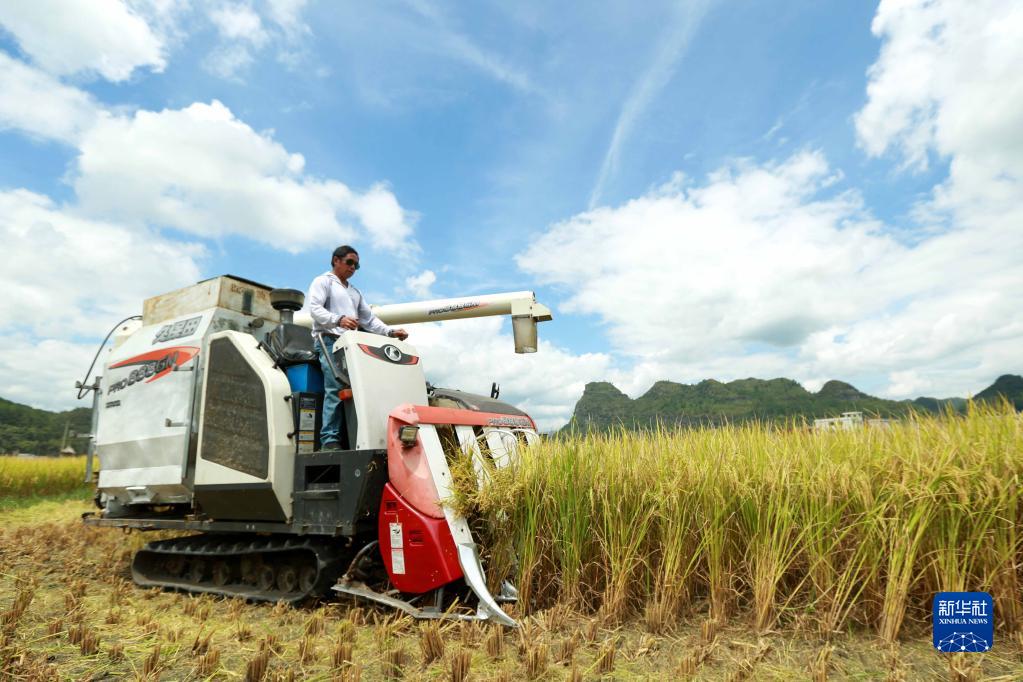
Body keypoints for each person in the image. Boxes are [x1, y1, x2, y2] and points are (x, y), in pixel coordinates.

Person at [307, 245, 408, 450]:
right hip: (328, 341)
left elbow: (369, 320)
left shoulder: (354, 292)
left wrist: (390, 332)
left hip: (351, 344)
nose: (353, 267)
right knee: (336, 387)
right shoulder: (323, 281)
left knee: (361, 388)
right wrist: (338, 319)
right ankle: (329, 440)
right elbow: (315, 309)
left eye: (357, 265)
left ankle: (358, 437)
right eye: (350, 262)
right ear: (336, 260)